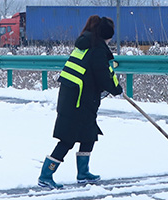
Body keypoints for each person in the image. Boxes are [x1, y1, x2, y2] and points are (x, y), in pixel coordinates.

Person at [38, 15, 123, 189]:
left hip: (76, 99)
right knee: (67, 140)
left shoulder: (85, 46)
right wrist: (117, 90)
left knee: (89, 135)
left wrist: (114, 87)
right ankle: (46, 175)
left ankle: (83, 173)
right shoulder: (97, 50)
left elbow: (98, 74)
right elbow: (104, 76)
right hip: (77, 103)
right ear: (106, 35)